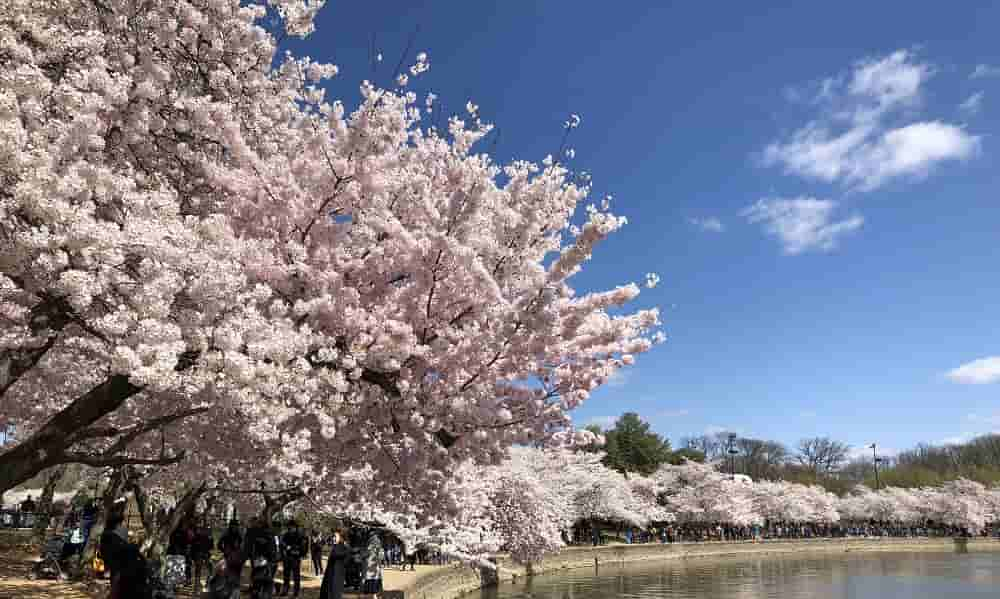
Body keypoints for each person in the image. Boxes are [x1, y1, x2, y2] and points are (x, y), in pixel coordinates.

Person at [100, 512, 130, 592]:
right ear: (118, 523)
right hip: (120, 559)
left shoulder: (105, 532)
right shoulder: (122, 530)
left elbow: (102, 548)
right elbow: (125, 543)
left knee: (115, 578)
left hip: (112, 560)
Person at [319, 529, 350, 599]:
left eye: (335, 537)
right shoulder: (336, 547)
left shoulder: (343, 548)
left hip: (337, 578)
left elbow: (345, 558)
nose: (333, 538)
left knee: (334, 594)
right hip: (330, 577)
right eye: (333, 536)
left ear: (341, 537)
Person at [280, 520, 306, 596]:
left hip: (296, 558)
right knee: (286, 575)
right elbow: (282, 544)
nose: (290, 528)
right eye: (289, 526)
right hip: (287, 557)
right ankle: (285, 590)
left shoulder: (300, 535)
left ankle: (296, 591)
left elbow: (303, 547)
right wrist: (285, 548)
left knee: (296, 576)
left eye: (292, 526)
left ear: (295, 527)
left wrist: (294, 549)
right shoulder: (286, 535)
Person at [191, 518, 214, 593]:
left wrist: (209, 552)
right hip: (199, 553)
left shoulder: (208, 534)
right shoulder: (197, 534)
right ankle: (196, 587)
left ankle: (207, 584)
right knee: (198, 569)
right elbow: (193, 545)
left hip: (206, 553)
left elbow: (212, 546)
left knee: (210, 568)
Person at [360, 530, 383, 596]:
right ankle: (375, 594)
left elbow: (367, 552)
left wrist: (362, 555)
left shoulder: (371, 543)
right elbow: (381, 555)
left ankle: (373, 594)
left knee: (371, 587)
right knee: (375, 582)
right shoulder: (378, 542)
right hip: (374, 567)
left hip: (371, 566)